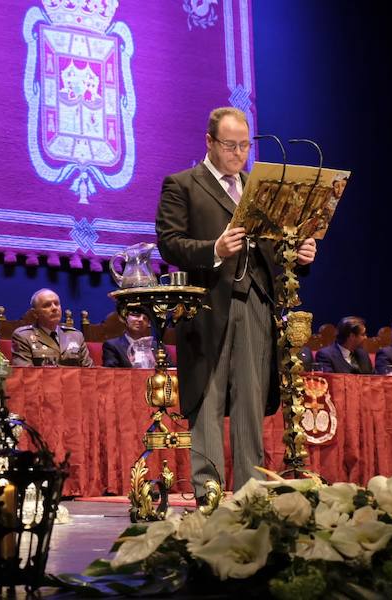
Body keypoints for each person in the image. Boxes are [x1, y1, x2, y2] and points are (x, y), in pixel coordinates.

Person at [155, 106, 318, 498]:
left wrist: (297, 253)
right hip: (208, 307)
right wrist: (214, 248)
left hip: (256, 304)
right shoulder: (183, 184)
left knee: (250, 402)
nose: (239, 153)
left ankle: (251, 494)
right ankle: (208, 493)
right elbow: (169, 242)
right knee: (207, 399)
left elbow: (272, 248)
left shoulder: (257, 188)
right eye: (231, 145)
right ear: (209, 142)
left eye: (245, 145)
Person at [10, 288, 94, 367]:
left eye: (57, 304)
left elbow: (90, 372)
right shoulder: (24, 336)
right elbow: (25, 374)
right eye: (47, 305)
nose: (54, 308)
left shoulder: (76, 336)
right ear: (35, 313)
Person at [102, 310, 174, 368]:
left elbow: (172, 370)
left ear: (149, 324)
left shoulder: (158, 346)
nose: (140, 320)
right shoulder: (112, 346)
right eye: (136, 315)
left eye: (145, 318)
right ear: (125, 318)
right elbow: (111, 375)